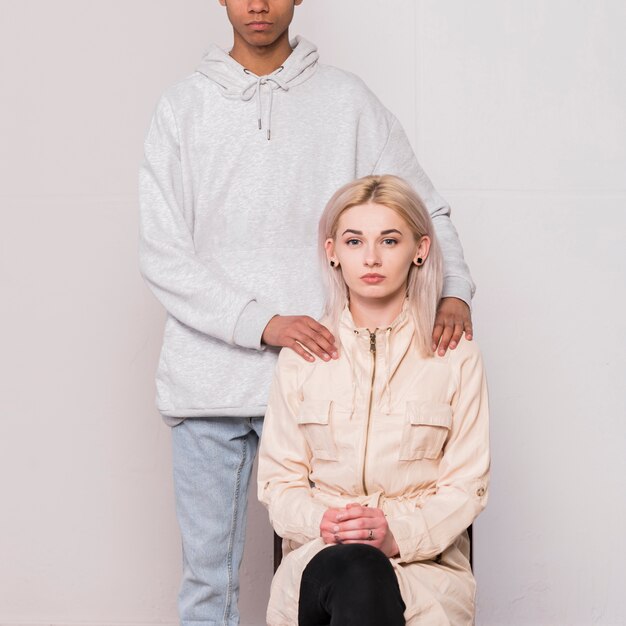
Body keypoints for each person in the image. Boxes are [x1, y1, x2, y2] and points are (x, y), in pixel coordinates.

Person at [139, 1, 475, 623]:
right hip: (204, 383)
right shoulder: (181, 107)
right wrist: (262, 321)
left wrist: (453, 290)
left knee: (320, 577)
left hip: (318, 380)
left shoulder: (348, 101)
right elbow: (162, 252)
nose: (258, 4)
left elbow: (425, 207)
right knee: (206, 584)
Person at [258, 175, 490, 625]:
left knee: (366, 574)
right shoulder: (302, 357)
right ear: (332, 253)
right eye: (353, 241)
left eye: (389, 239)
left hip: (423, 571)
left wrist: (396, 536)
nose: (370, 257)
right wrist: (324, 524)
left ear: (420, 249)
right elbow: (278, 483)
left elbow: (467, 486)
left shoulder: (455, 355)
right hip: (319, 560)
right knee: (354, 568)